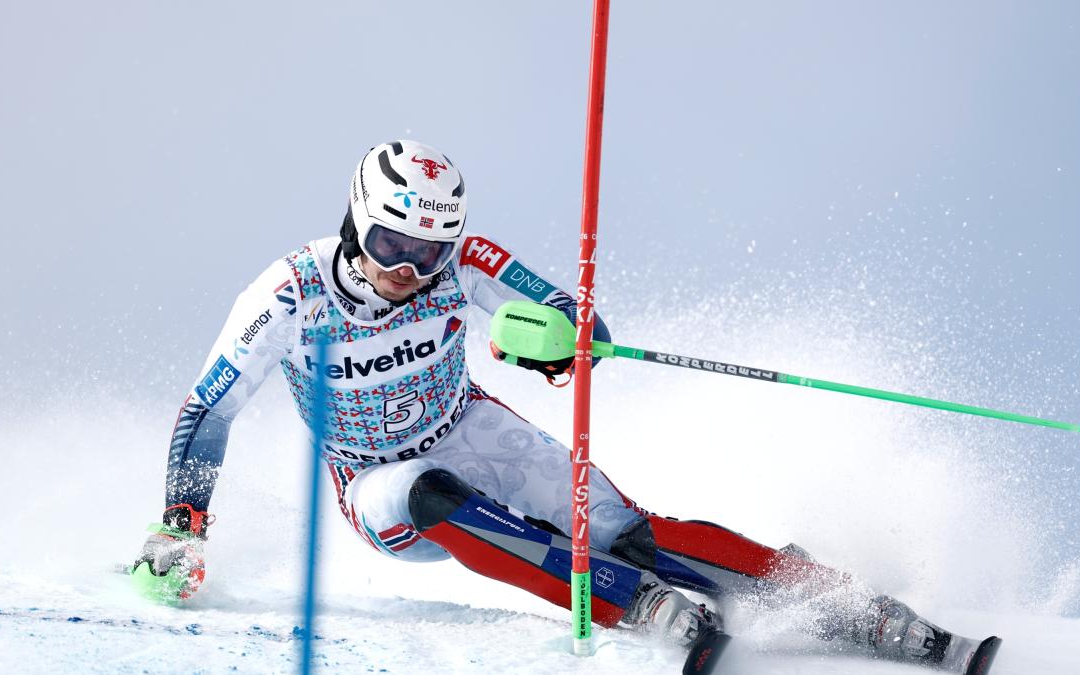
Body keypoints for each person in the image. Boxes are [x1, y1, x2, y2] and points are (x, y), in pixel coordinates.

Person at [132, 140, 999, 674]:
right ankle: (642, 606)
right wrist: (182, 521)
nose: (408, 268)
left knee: (624, 524)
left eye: (426, 251)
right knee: (434, 496)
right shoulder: (287, 293)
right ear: (358, 221)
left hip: (467, 423)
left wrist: (560, 339)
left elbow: (571, 316)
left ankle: (850, 605)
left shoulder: (460, 258)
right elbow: (209, 410)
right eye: (392, 243)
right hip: (374, 479)